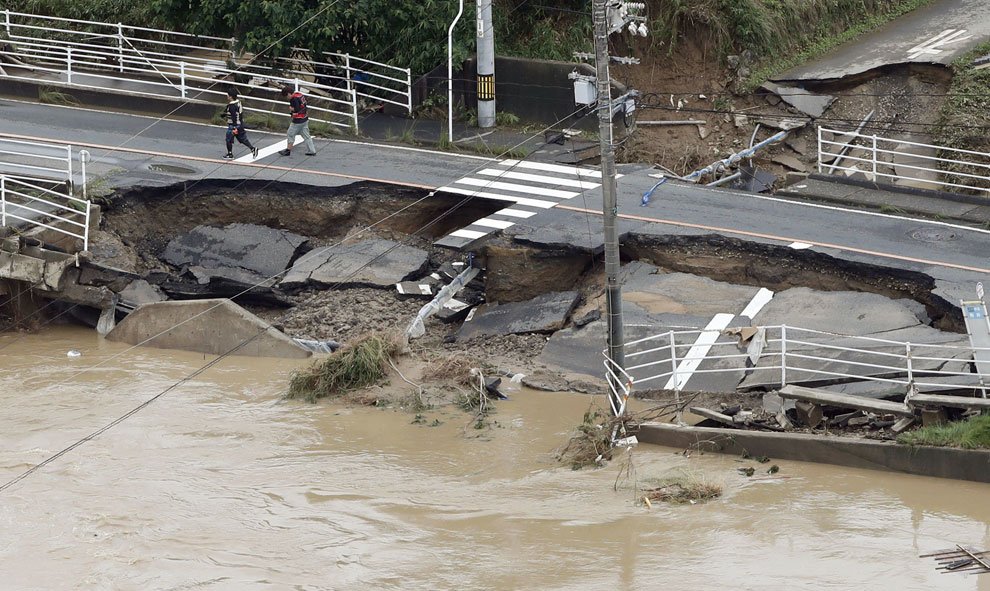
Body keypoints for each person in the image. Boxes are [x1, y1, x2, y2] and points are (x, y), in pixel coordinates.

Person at [279, 85, 317, 157]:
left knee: (290, 133)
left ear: (289, 94)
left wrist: (291, 109)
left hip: (298, 120)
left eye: (286, 96)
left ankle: (288, 150)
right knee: (306, 135)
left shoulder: (293, 99)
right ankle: (312, 150)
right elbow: (304, 105)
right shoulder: (299, 95)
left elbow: (297, 109)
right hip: (305, 118)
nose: (287, 98)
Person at [223, 88, 259, 160]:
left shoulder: (232, 106)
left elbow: (233, 117)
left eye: (228, 95)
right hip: (240, 124)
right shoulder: (238, 102)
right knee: (242, 139)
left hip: (233, 125)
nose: (227, 96)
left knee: (228, 139)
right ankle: (253, 148)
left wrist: (234, 127)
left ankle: (230, 154)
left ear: (230, 96)